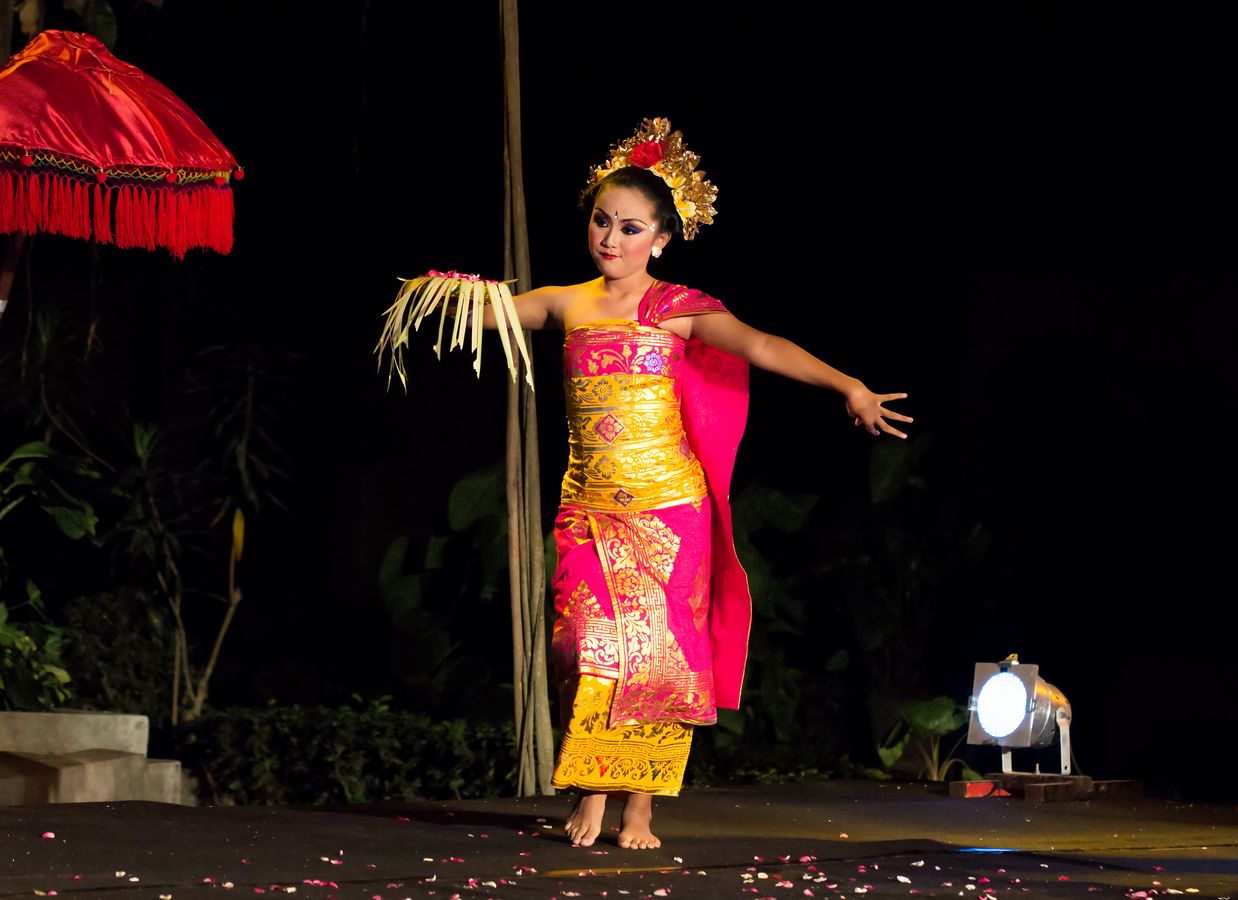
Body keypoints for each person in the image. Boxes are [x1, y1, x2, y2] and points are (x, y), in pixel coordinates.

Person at [401, 118, 911, 850]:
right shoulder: (566, 301)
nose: (610, 238)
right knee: (587, 647)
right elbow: (488, 316)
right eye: (601, 221)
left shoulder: (678, 310)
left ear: (662, 240)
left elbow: (762, 345)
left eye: (630, 227)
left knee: (657, 664)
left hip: (670, 512)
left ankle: (632, 807)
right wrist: (437, 293)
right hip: (589, 509)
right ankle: (595, 786)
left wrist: (848, 385)